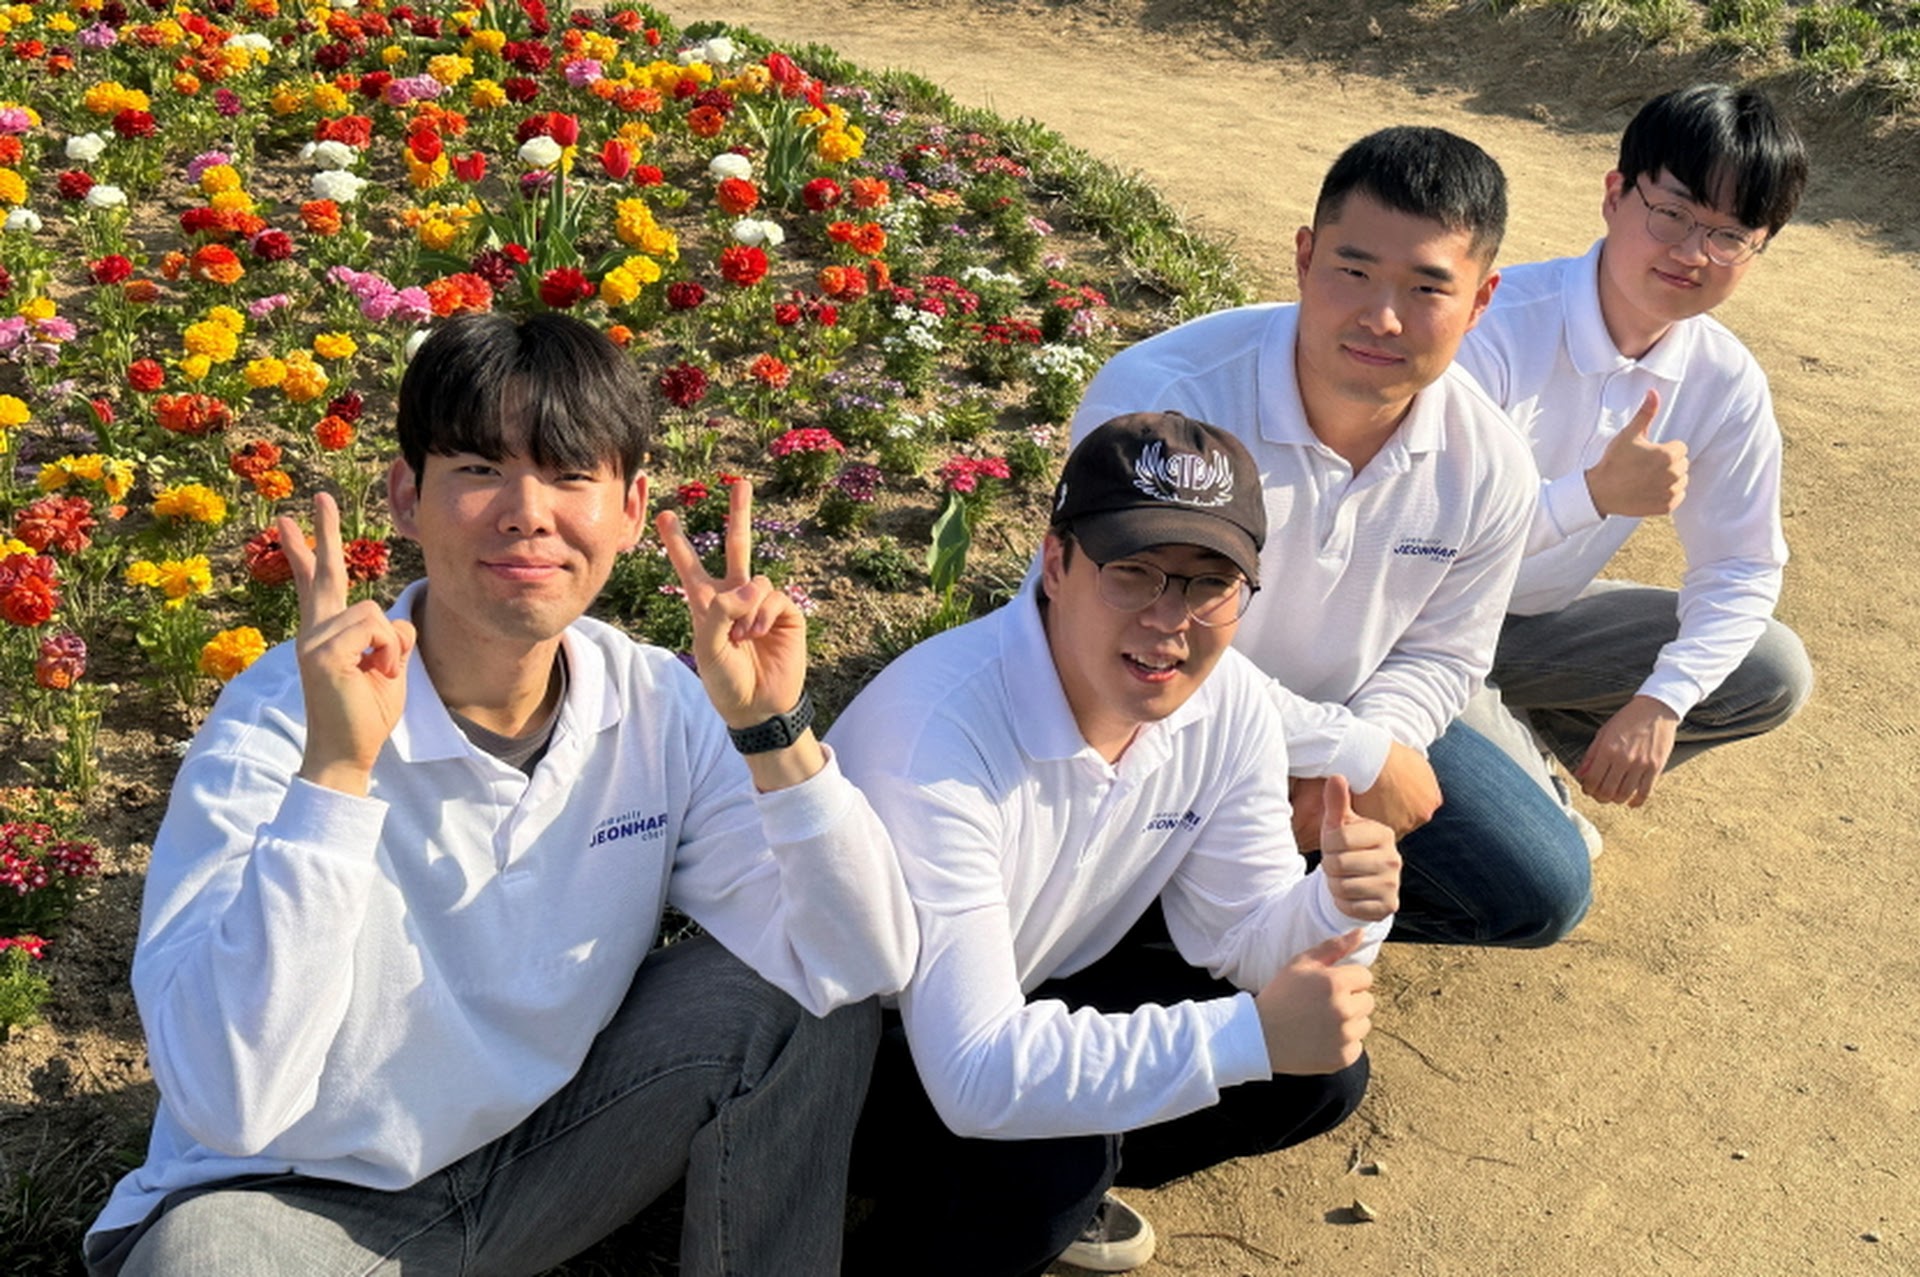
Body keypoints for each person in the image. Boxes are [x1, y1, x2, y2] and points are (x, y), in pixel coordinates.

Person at [83, 313, 917, 1276]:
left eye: (569, 473)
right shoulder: (280, 723)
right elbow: (230, 1103)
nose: (527, 512)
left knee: (802, 987)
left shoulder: (658, 705)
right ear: (407, 496)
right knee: (199, 1260)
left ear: (632, 508)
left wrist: (775, 735)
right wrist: (337, 776)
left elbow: (862, 962)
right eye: (480, 468)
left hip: (545, 1156)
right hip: (296, 1203)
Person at [832, 412, 1400, 1276]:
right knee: (1054, 1154)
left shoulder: (1229, 702)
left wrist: (1337, 905)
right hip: (856, 1051)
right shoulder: (936, 738)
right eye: (1133, 573)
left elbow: (1239, 934)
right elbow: (972, 1069)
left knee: (1317, 1076)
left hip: (1025, 979)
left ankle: (1026, 1181)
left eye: (1210, 583)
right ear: (1056, 563)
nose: (1171, 619)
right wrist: (1242, 1036)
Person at [1070, 126, 1591, 949]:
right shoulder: (1166, 405)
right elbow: (1122, 633)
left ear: (1481, 300)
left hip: (1344, 718)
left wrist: (1361, 764)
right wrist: (1347, 754)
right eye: (1353, 271)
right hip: (1150, 716)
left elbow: (1443, 654)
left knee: (1539, 885)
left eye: (1427, 288)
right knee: (1100, 925)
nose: (1382, 317)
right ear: (1305, 258)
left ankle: (1274, 907)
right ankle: (1182, 927)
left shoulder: (1491, 463)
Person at [1453, 83, 1813, 822]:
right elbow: (1421, 538)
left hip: (1535, 621)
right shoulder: (1493, 327)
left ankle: (1527, 736)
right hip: (1419, 624)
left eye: (1729, 235)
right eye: (1672, 213)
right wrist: (1590, 495)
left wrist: (1662, 700)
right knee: (1549, 867)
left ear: (1760, 248)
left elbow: (1742, 567)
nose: (1692, 253)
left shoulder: (1723, 378)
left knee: (1772, 670)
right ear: (1615, 195)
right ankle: (1499, 776)